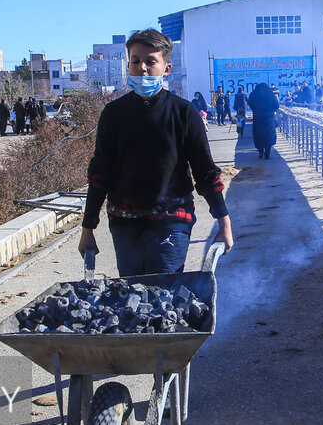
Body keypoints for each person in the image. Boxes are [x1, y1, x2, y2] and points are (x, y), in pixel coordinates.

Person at [78, 29, 233, 276]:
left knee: (164, 290)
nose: (142, 68)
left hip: (172, 219)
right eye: (136, 61)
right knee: (133, 296)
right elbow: (100, 175)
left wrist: (223, 221)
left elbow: (205, 172)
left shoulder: (184, 113)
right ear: (128, 65)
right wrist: (88, 229)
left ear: (166, 68)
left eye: (151, 62)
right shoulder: (114, 114)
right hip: (124, 222)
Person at [249, 82, 279, 159]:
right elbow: (276, 105)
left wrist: (256, 110)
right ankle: (267, 153)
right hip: (268, 119)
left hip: (258, 119)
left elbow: (250, 104)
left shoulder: (253, 94)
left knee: (258, 136)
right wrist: (270, 110)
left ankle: (260, 152)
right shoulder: (270, 94)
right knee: (268, 136)